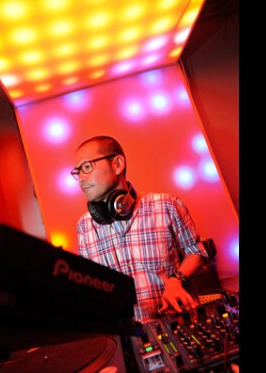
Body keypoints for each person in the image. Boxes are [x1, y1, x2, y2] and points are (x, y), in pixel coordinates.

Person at [71, 135, 209, 323]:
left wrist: (176, 280)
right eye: (77, 172)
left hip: (178, 323)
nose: (81, 179)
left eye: (87, 167)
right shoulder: (84, 226)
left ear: (117, 164)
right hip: (127, 336)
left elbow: (197, 251)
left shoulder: (166, 205)